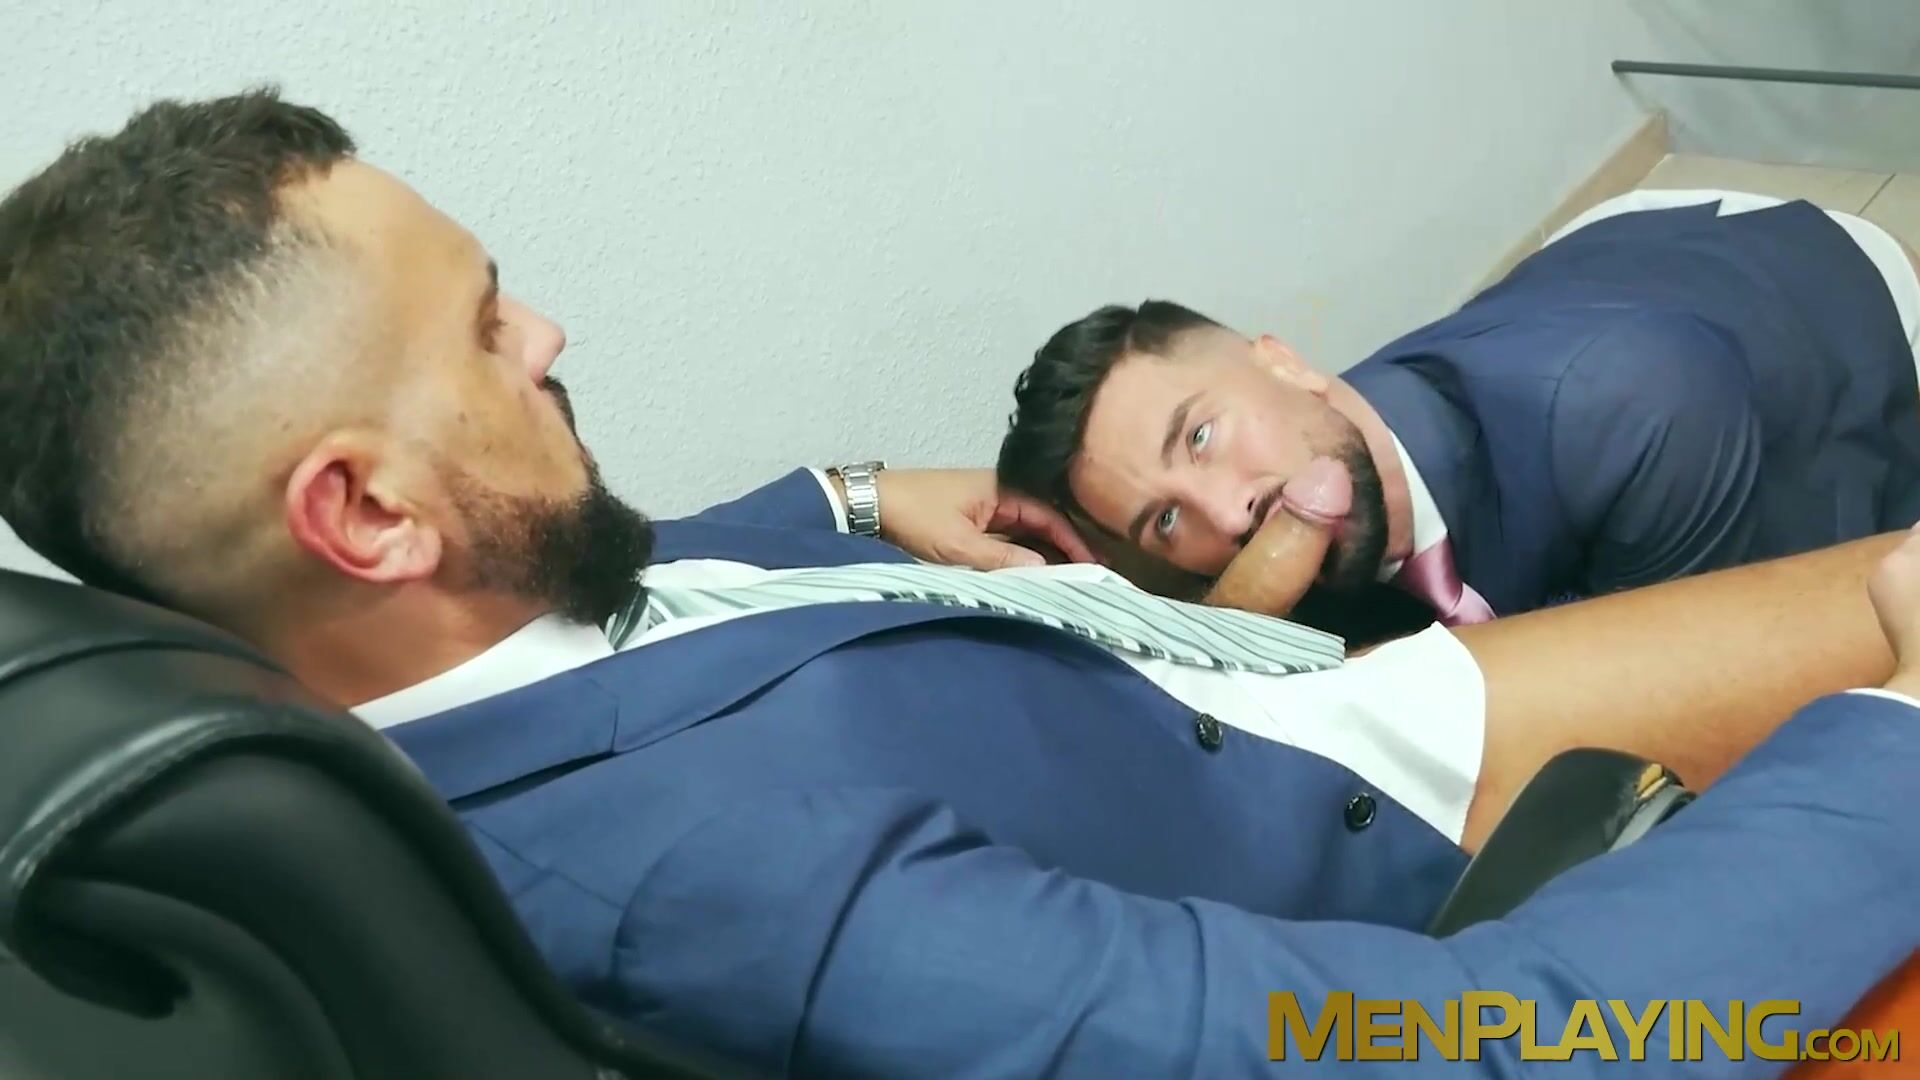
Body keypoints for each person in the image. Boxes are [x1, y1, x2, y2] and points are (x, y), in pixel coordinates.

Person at [0, 90, 1914, 1079]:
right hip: (1376, 820)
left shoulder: (469, 624)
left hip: (1260, 705)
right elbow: (1465, 1047)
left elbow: (657, 584)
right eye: (489, 330)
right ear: (366, 517)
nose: (548, 331)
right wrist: (1884, 750)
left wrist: (846, 490)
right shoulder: (722, 902)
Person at [996, 192, 1920, 641]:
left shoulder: (1633, 409)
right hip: (1590, 283)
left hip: (1809, 293)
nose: (1227, 513)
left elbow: (1678, 694)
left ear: (1282, 361)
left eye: (1200, 437)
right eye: (1165, 520)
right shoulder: (1281, 506)